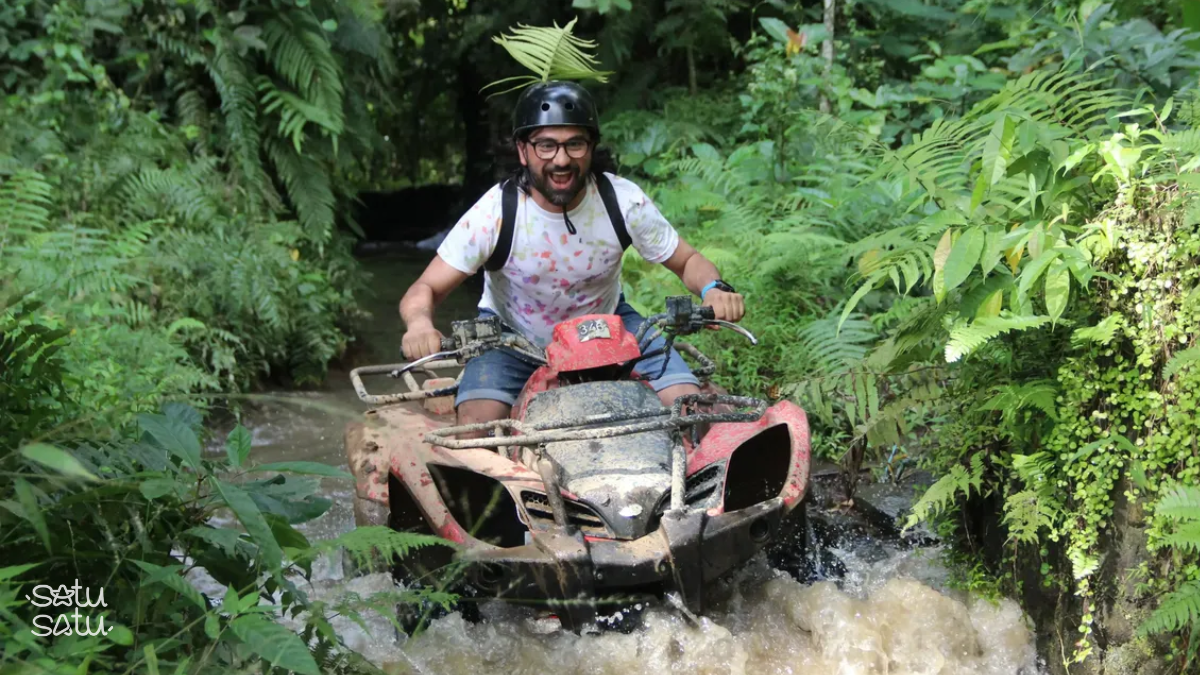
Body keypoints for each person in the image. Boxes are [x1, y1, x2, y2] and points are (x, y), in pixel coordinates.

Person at [398, 80, 745, 430]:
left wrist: (714, 288)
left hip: (609, 327)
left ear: (591, 147)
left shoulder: (622, 201)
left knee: (688, 404)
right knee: (476, 428)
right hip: (512, 337)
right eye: (546, 146)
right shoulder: (495, 213)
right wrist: (419, 324)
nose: (561, 160)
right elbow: (426, 287)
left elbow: (687, 261)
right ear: (523, 150)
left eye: (574, 144)